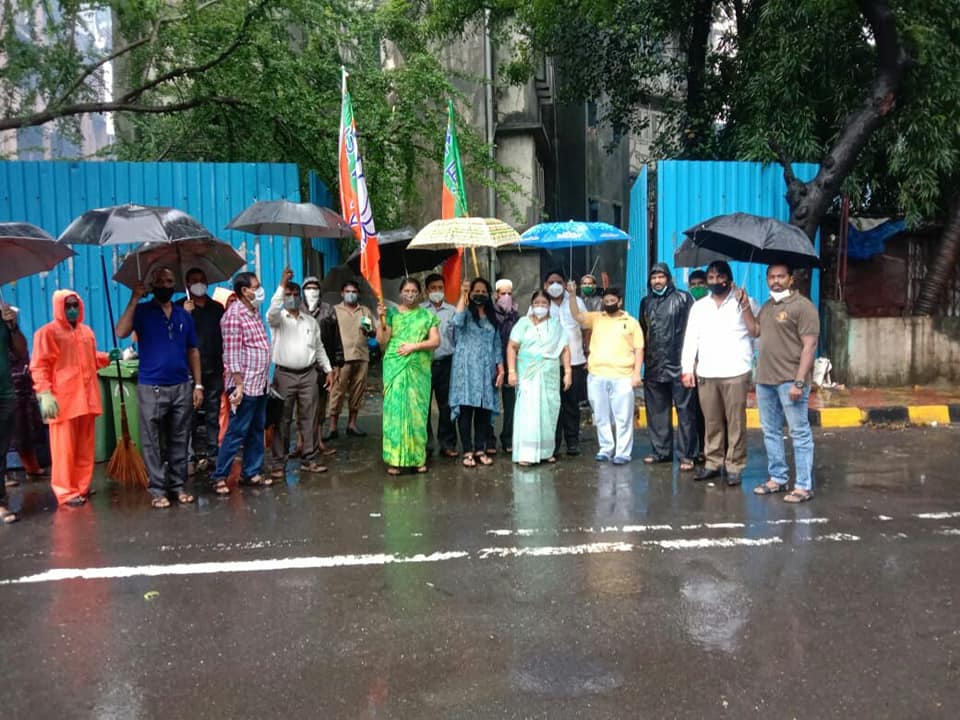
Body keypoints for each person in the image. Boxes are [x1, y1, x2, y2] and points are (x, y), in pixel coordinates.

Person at [117, 267, 203, 508]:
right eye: (161, 281)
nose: (166, 285)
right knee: (152, 441)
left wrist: (198, 385)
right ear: (153, 285)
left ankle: (177, 485)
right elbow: (121, 331)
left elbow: (193, 350)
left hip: (181, 385)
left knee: (179, 437)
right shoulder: (143, 311)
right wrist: (134, 298)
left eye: (170, 281)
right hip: (151, 386)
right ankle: (157, 489)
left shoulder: (183, 314)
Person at [30, 291, 115, 510]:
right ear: (59, 307)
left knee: (85, 448)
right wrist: (45, 393)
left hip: (87, 399)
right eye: (67, 306)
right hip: (64, 400)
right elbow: (40, 365)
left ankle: (81, 486)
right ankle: (66, 492)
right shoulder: (47, 333)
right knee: (64, 450)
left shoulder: (86, 332)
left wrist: (108, 357)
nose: (72, 309)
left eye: (74, 305)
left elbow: (90, 358)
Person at [680, 260, 758, 486]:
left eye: (719, 277)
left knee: (735, 422)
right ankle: (713, 462)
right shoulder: (700, 306)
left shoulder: (745, 302)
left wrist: (745, 306)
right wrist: (687, 369)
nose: (715, 282)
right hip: (707, 371)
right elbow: (691, 338)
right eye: (711, 278)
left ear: (729, 280)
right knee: (711, 421)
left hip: (736, 371)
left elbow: (757, 332)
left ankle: (734, 465)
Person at [749, 263, 819, 503]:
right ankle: (777, 478)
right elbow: (755, 330)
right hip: (765, 379)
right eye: (771, 277)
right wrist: (743, 306)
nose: (775, 281)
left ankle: (803, 486)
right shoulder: (768, 306)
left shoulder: (803, 307)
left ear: (791, 279)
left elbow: (810, 346)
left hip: (790, 380)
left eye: (781, 277)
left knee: (799, 432)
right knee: (770, 431)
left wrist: (799, 382)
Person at [267, 269, 334, 479]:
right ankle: (279, 463)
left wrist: (329, 369)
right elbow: (271, 310)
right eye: (289, 294)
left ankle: (309, 459)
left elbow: (319, 347)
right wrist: (281, 284)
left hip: (308, 375)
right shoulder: (278, 319)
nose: (293, 298)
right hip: (284, 375)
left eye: (296, 294)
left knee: (310, 417)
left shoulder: (310, 321)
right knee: (282, 420)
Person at [568, 284, 644, 464]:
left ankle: (623, 452)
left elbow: (639, 349)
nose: (609, 303)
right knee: (601, 415)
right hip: (597, 375)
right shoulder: (596, 318)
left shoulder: (631, 322)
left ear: (620, 301)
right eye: (606, 300)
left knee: (623, 416)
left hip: (623, 375)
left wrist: (636, 374)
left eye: (612, 300)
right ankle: (606, 448)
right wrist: (572, 295)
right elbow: (577, 316)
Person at [211, 271, 272, 494]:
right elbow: (232, 355)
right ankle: (220, 475)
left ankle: (251, 472)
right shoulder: (233, 316)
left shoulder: (253, 311)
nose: (260, 290)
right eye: (256, 286)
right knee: (236, 431)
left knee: (257, 429)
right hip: (244, 385)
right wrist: (238, 385)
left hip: (260, 383)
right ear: (244, 291)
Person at [376, 278, 441, 475]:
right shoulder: (392, 314)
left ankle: (417, 458)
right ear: (400, 293)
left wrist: (415, 346)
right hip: (395, 365)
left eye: (413, 290)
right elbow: (382, 341)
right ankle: (394, 460)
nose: (410, 294)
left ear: (420, 293)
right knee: (395, 412)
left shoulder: (427, 316)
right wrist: (381, 321)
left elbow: (436, 341)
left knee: (417, 413)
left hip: (419, 368)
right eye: (406, 290)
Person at [639, 263, 699, 470]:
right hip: (655, 366)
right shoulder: (645, 302)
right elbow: (643, 332)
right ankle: (661, 452)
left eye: (661, 277)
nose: (657, 281)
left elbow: (693, 332)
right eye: (654, 278)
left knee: (686, 413)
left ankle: (687, 455)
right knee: (656, 412)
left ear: (668, 279)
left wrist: (690, 363)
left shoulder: (683, 299)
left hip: (680, 364)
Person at [506, 290, 571, 466]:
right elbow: (512, 347)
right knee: (528, 411)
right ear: (532, 305)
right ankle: (526, 453)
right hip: (527, 374)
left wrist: (568, 373)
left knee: (548, 412)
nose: (540, 306)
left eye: (544, 303)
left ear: (549, 306)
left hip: (550, 374)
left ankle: (546, 451)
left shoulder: (556, 325)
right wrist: (511, 371)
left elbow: (565, 349)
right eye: (537, 303)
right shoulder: (523, 323)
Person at [448, 278, 505, 467]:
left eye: (483, 291)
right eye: (476, 291)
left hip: (486, 371)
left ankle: (480, 449)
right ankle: (468, 451)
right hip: (465, 370)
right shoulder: (465, 314)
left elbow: (497, 345)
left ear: (489, 294)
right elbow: (455, 322)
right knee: (465, 412)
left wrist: (501, 368)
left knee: (483, 412)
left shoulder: (492, 317)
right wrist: (463, 294)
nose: (479, 294)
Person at [178, 267, 224, 473]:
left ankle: (213, 454)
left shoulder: (216, 308)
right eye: (194, 280)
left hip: (214, 367)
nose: (198, 283)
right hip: (187, 371)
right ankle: (190, 457)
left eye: (202, 279)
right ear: (187, 284)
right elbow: (176, 337)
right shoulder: (180, 308)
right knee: (189, 416)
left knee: (213, 414)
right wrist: (183, 316)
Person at [544, 270, 587, 455]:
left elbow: (586, 327)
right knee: (552, 404)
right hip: (550, 362)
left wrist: (588, 350)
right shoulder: (541, 303)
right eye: (551, 281)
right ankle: (553, 443)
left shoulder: (576, 301)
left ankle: (572, 441)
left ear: (565, 283)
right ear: (545, 285)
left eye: (558, 282)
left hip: (576, 360)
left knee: (571, 404)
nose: (555, 285)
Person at [328, 280, 376, 437]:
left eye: (354, 292)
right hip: (341, 358)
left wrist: (369, 330)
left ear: (358, 294)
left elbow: (373, 333)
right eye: (348, 291)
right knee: (337, 391)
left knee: (358, 391)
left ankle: (352, 424)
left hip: (362, 356)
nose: (351, 294)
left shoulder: (365, 311)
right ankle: (333, 427)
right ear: (342, 293)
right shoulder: (334, 310)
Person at [302, 275, 344, 448]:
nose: (312, 291)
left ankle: (318, 439)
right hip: (302, 365)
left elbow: (336, 338)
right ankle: (301, 442)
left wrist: (336, 364)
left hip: (322, 365)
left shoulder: (328, 310)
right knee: (302, 405)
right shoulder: (297, 309)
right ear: (303, 291)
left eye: (315, 288)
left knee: (320, 402)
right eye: (308, 288)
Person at [421, 273, 458, 457]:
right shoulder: (419, 311)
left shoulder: (452, 311)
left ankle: (448, 443)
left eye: (440, 288)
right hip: (424, 363)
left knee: (447, 405)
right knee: (423, 404)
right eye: (433, 288)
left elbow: (457, 337)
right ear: (426, 290)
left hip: (446, 363)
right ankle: (425, 443)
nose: (437, 292)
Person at [1, 301, 29, 522]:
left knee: (2, 448)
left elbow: (20, 351)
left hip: (5, 392)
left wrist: (12, 327)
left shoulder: (4, 317)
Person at [492, 278, 520, 454]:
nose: (506, 297)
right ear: (496, 295)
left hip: (511, 362)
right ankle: (489, 439)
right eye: (503, 294)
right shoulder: (489, 312)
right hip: (493, 362)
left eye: (509, 293)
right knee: (491, 402)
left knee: (510, 404)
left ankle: (508, 438)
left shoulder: (516, 314)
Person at [687, 269, 709, 457]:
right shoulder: (686, 306)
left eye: (700, 284)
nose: (697, 287)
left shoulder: (715, 306)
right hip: (693, 369)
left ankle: (716, 450)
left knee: (714, 413)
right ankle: (700, 449)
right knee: (695, 411)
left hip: (713, 367)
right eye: (693, 285)